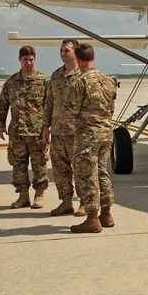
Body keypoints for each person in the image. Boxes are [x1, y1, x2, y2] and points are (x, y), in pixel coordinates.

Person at [67, 44, 117, 233]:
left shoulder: (80, 82)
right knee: (102, 172)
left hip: (88, 136)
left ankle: (92, 218)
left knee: (87, 176)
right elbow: (110, 108)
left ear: (78, 61)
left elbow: (71, 109)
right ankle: (106, 213)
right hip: (106, 133)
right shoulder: (108, 80)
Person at [0, 46, 50, 209]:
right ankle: (23, 196)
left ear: (35, 58)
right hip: (17, 132)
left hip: (37, 132)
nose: (29, 62)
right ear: (19, 59)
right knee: (18, 166)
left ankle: (39, 195)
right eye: (25, 59)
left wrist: (48, 126)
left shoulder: (44, 81)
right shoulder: (11, 82)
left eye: (31, 59)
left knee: (39, 165)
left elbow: (50, 105)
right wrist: (0, 124)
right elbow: (3, 104)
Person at [42, 39, 86, 217]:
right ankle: (66, 202)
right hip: (58, 131)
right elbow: (49, 102)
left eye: (66, 50)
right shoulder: (55, 76)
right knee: (60, 170)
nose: (62, 53)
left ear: (75, 52)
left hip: (77, 132)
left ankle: (84, 203)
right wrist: (46, 126)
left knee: (81, 170)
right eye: (61, 50)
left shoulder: (83, 75)